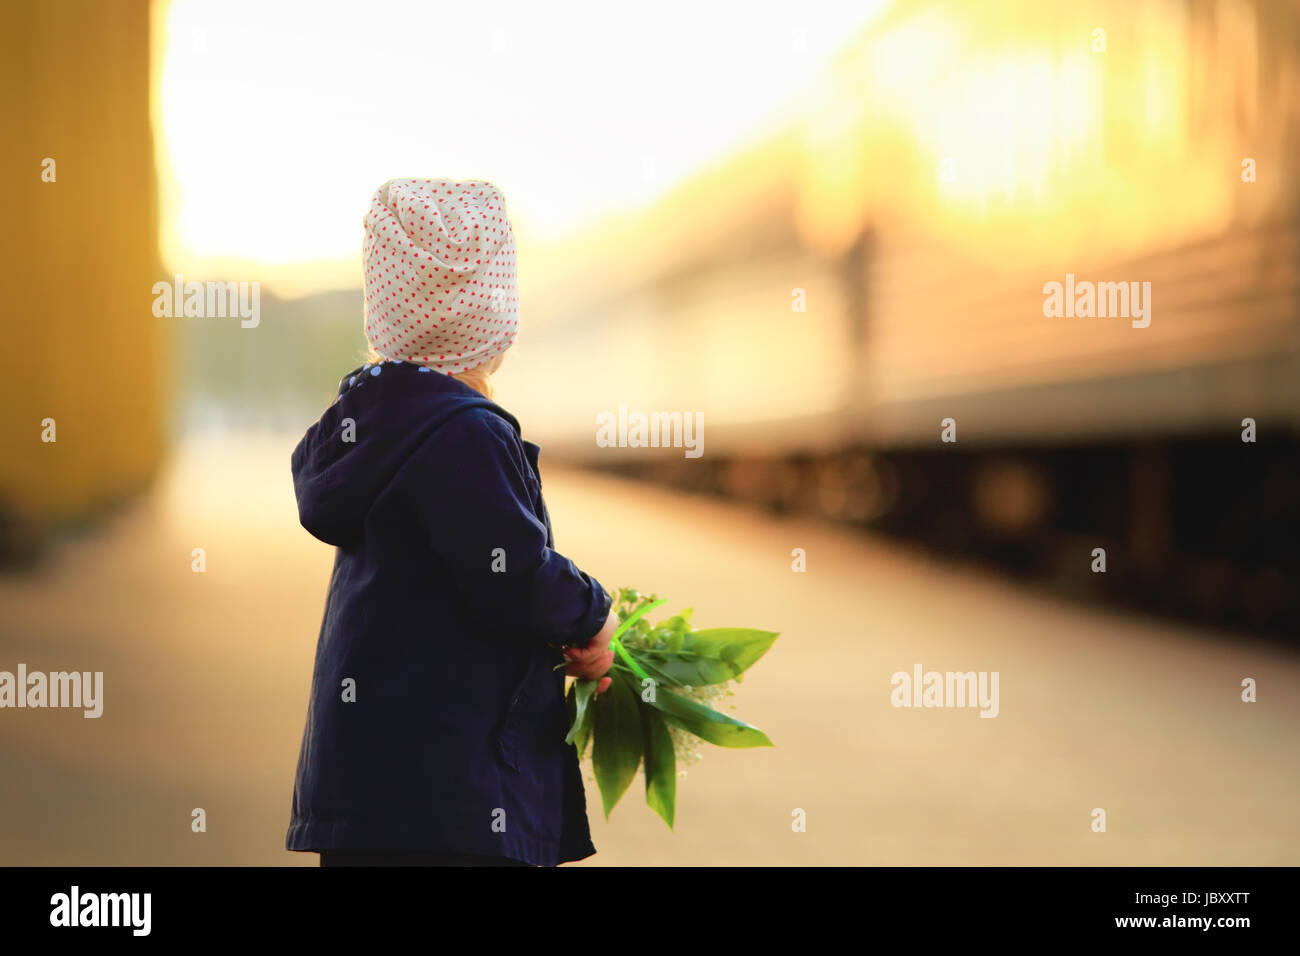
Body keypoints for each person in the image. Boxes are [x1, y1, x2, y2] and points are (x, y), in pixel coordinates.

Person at [286, 178, 617, 867]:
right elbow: (515, 576)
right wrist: (593, 615)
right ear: (494, 316)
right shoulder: (465, 433)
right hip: (456, 800)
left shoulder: (367, 427)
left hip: (369, 795)